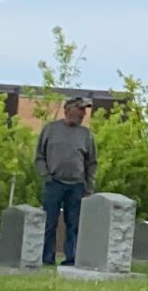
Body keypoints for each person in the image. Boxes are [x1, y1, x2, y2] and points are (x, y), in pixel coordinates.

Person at [34, 97, 99, 268]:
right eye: (80, 109)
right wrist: (46, 175)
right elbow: (39, 157)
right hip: (54, 183)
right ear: (68, 109)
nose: (83, 114)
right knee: (49, 223)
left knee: (74, 224)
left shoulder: (86, 134)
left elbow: (91, 163)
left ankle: (71, 258)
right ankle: (47, 258)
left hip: (77, 185)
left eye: (84, 111)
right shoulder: (50, 129)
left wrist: (89, 186)